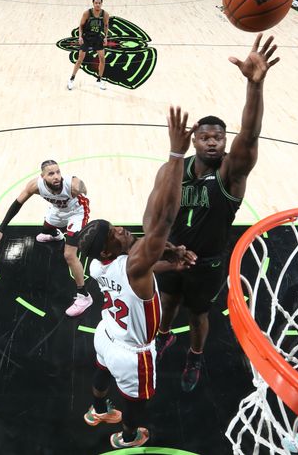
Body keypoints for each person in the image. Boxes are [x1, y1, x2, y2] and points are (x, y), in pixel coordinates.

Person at [154, 34, 280, 392]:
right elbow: (158, 213)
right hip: (173, 252)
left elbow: (251, 136)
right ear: (194, 139)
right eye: (206, 137)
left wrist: (254, 88)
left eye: (219, 137)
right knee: (168, 300)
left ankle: (195, 354)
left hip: (207, 261)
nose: (212, 142)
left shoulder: (229, 173)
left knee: (198, 314)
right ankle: (164, 335)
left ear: (225, 141)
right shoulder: (174, 168)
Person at [79, 106, 196, 449]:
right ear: (107, 250)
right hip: (134, 352)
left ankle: (98, 409)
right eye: (112, 234)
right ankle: (128, 435)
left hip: (107, 334)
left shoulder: (100, 266)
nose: (118, 230)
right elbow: (163, 218)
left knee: (102, 371)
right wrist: (176, 155)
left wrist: (168, 261)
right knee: (137, 400)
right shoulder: (131, 262)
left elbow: (138, 269)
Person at [0, 160, 93, 317]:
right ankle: (55, 235)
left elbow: (82, 188)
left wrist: (80, 186)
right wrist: (0, 230)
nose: (56, 176)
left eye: (58, 172)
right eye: (51, 173)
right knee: (46, 228)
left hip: (77, 213)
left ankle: (84, 296)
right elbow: (17, 204)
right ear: (42, 177)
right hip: (58, 210)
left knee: (69, 255)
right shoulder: (35, 186)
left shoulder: (71, 185)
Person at [68, 0, 110, 91]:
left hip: (97, 38)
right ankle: (71, 79)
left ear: (101, 4)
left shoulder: (105, 14)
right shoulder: (87, 13)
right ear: (93, 3)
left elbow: (106, 26)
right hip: (87, 37)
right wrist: (80, 36)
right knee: (80, 59)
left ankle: (99, 80)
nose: (98, 4)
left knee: (102, 59)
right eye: (96, 3)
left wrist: (106, 37)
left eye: (99, 3)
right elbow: (81, 25)